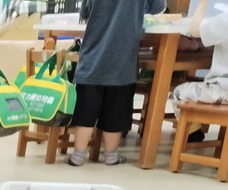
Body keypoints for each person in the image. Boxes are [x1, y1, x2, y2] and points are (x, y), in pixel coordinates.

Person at [66, 0, 167, 167]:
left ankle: (78, 155)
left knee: (85, 112)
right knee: (116, 112)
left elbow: (85, 12)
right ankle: (111, 156)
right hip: (123, 61)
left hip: (93, 60)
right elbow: (158, 7)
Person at [171, 0, 228, 140]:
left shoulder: (224, 20)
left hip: (223, 90)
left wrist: (203, 3)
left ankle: (193, 135)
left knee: (178, 92)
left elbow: (195, 30)